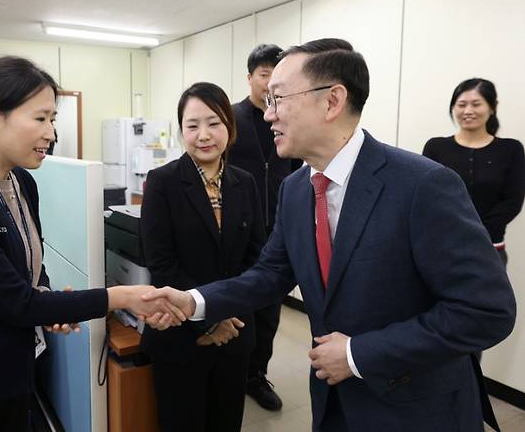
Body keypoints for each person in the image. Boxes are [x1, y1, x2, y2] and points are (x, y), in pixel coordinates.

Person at [141, 39, 516, 432]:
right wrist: (192, 301)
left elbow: (487, 311)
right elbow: (270, 274)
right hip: (334, 402)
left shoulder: (422, 185)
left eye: (278, 98)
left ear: (332, 101)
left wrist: (357, 354)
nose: (268, 116)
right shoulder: (297, 188)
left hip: (414, 408)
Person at [0, 56, 183, 432]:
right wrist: (122, 297)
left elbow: (29, 266)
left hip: (10, 377)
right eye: (40, 118)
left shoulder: (21, 183)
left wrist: (49, 297)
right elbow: (16, 302)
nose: (51, 133)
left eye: (53, 119)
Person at [140, 82, 266, 432]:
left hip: (235, 335)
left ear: (230, 126)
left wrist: (226, 316)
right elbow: (161, 264)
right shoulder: (162, 182)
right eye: (192, 125)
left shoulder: (246, 183)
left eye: (213, 123)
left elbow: (257, 259)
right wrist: (211, 317)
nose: (203, 135)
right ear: (181, 131)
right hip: (180, 335)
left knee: (226, 422)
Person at [227, 43, 302, 411]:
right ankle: (231, 372)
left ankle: (255, 375)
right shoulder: (231, 117)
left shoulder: (288, 118)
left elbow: (297, 167)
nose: (270, 82)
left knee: (269, 314)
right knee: (237, 306)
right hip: (237, 230)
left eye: (278, 75)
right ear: (250, 77)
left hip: (276, 231)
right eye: (264, 74)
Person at [423, 78, 525, 266]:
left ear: (492, 107)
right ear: (453, 107)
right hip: (442, 246)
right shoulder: (436, 147)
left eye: (476, 104)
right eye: (461, 104)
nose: (468, 111)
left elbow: (513, 201)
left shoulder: (511, 149)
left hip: (491, 249)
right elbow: (428, 197)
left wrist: (477, 232)